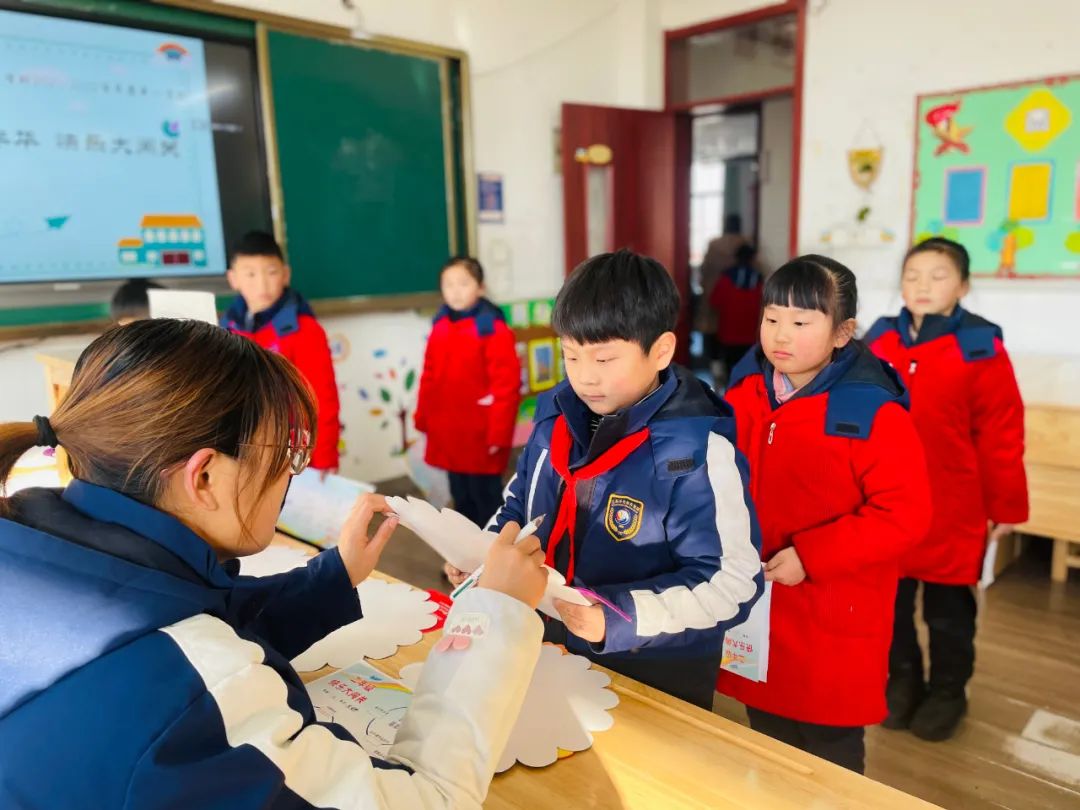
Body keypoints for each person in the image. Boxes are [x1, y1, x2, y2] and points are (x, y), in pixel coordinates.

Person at [0, 318, 549, 809]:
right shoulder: (189, 692)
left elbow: (192, 625)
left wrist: (336, 574)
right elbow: (426, 800)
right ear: (205, 477)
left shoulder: (34, 542)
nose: (290, 474)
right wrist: (494, 616)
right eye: (284, 455)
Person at [448, 248, 764, 710]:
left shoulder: (697, 449)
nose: (585, 378)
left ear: (661, 351)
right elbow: (519, 503)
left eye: (604, 359)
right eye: (571, 356)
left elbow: (731, 582)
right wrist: (485, 556)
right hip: (543, 643)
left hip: (652, 672)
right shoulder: (554, 414)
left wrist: (616, 618)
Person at [716, 255, 932, 773]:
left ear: (842, 333)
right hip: (759, 603)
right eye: (771, 318)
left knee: (829, 748)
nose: (780, 335)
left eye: (800, 322)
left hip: (834, 610)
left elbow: (904, 514)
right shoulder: (745, 392)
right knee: (767, 734)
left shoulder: (871, 411)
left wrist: (811, 556)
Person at [866, 237, 1028, 742]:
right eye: (912, 275)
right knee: (889, 607)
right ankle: (903, 682)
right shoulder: (879, 341)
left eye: (938, 276)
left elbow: (1002, 434)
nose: (922, 286)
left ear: (963, 286)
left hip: (954, 507)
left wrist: (1005, 506)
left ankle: (948, 692)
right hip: (888, 504)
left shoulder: (980, 348)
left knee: (949, 613)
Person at [222, 231, 340, 475]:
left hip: (292, 455)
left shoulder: (305, 330)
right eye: (250, 274)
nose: (262, 284)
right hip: (243, 453)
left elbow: (321, 399)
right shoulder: (226, 327)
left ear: (285, 274)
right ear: (233, 278)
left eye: (271, 272)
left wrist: (324, 458)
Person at [414, 257, 521, 528]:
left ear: (480, 287)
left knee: (486, 499)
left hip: (479, 434)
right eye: (448, 284)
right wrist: (422, 418)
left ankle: (491, 549)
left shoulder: (492, 328)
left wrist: (499, 434)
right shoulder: (440, 325)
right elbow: (429, 376)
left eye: (463, 283)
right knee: (460, 498)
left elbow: (506, 386)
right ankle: (464, 550)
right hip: (449, 431)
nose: (455, 291)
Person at [697, 213, 752, 374]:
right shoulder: (746, 244)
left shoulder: (714, 245)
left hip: (714, 297)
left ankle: (717, 372)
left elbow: (704, 270)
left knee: (714, 339)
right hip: (742, 302)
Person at [709, 242, 763, 382]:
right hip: (750, 335)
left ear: (736, 258)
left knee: (729, 370)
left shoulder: (726, 278)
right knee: (748, 372)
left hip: (728, 333)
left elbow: (714, 302)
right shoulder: (759, 280)